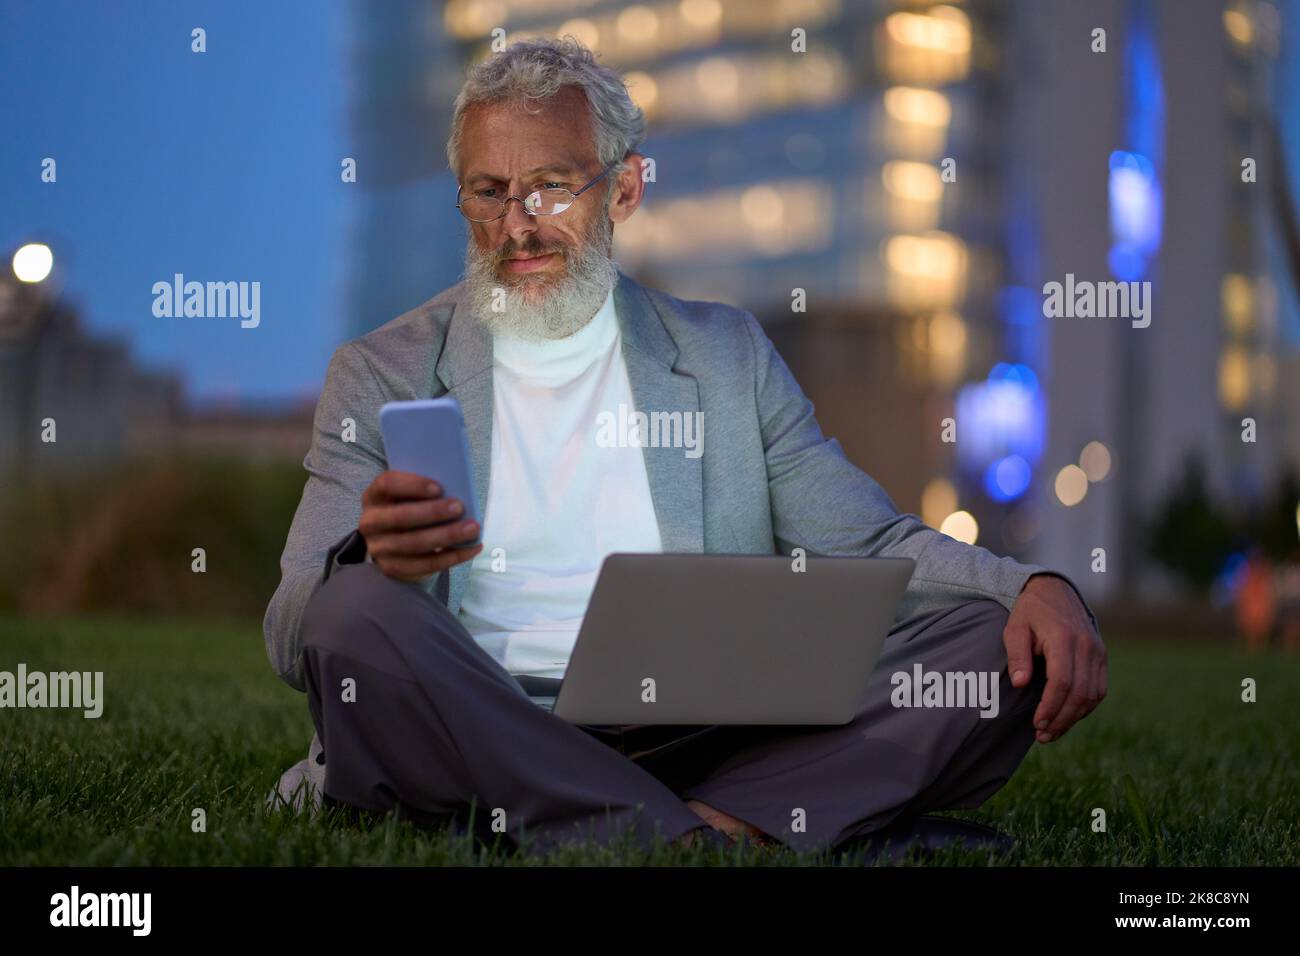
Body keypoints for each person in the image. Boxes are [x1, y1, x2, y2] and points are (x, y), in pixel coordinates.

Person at [264, 37, 1106, 856]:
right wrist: (376, 560)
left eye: (552, 188)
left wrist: (1031, 585)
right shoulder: (380, 371)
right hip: (471, 713)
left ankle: (587, 823)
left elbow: (870, 543)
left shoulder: (725, 355)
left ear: (624, 189)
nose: (517, 226)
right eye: (488, 193)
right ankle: (711, 835)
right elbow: (295, 623)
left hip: (696, 731)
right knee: (353, 610)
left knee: (988, 641)